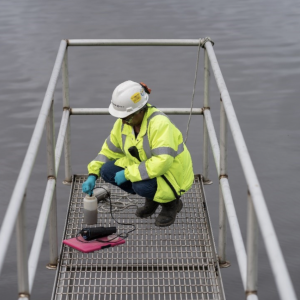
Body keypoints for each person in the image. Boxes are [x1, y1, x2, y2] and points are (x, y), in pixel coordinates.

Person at [82, 80, 194, 227]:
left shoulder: (160, 124)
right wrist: (92, 175)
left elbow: (162, 162)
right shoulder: (124, 123)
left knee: (140, 186)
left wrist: (128, 174)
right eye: (120, 118)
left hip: (172, 175)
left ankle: (171, 203)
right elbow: (107, 152)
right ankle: (153, 198)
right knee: (106, 171)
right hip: (146, 167)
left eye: (126, 117)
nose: (122, 122)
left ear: (141, 110)